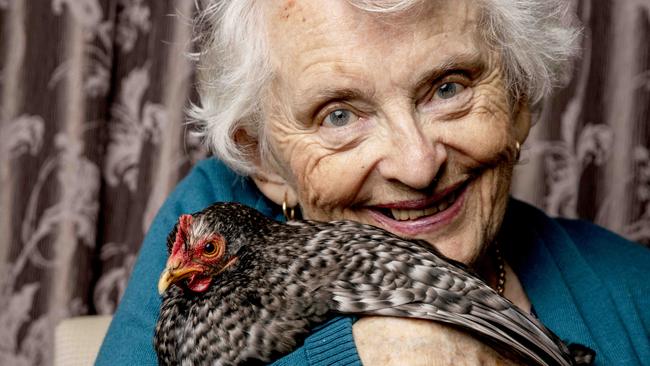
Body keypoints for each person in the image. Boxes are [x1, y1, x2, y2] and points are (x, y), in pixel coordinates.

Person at [96, 1, 650, 365]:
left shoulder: (631, 288)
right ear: (262, 160)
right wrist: (363, 353)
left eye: (448, 88)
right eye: (339, 115)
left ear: (521, 98)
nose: (416, 165)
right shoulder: (213, 230)